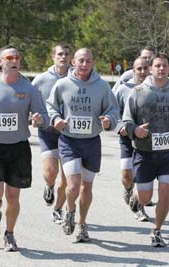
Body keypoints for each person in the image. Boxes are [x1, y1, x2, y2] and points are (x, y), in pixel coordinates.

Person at [0, 45, 49, 252]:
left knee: (13, 197)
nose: (14, 61)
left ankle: (10, 234)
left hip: (18, 148)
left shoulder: (29, 89)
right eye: (9, 57)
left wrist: (39, 120)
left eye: (17, 57)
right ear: (0, 61)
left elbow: (43, 117)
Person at [122, 53, 169, 247]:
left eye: (164, 66)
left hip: (168, 153)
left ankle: (157, 231)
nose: (161, 69)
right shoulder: (137, 92)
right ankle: (136, 197)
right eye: (157, 66)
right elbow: (127, 120)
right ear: (150, 69)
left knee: (165, 192)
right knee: (146, 196)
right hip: (144, 153)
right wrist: (135, 130)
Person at [46, 48, 119, 242]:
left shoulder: (102, 86)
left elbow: (113, 109)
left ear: (93, 63)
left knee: (86, 187)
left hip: (92, 142)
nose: (84, 64)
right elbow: (51, 106)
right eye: (81, 61)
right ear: (73, 63)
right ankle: (69, 211)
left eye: (88, 61)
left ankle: (82, 223)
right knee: (73, 186)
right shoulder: (62, 85)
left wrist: (108, 121)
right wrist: (56, 119)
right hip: (69, 141)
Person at [31, 44, 72, 223]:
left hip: (69, 134)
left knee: (67, 176)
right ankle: (49, 185)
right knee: (50, 171)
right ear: (53, 56)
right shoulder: (41, 80)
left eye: (66, 54)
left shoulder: (76, 78)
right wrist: (31, 117)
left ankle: (58, 209)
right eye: (59, 54)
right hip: (47, 131)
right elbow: (30, 101)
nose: (63, 57)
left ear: (71, 58)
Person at [113, 57, 150, 221]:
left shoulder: (156, 88)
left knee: (143, 175)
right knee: (127, 175)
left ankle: (139, 206)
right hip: (127, 137)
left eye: (145, 68)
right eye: (139, 69)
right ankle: (128, 189)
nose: (142, 72)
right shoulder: (123, 89)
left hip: (146, 140)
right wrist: (120, 127)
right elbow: (113, 112)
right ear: (133, 71)